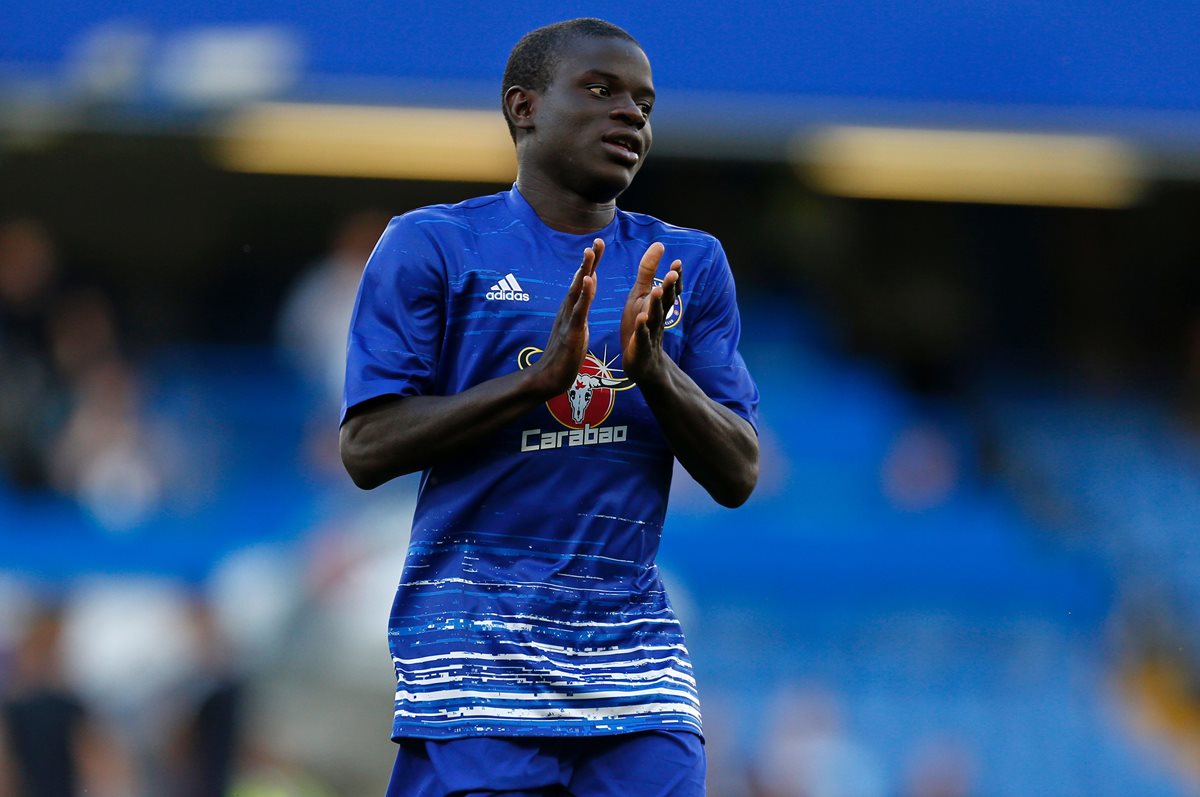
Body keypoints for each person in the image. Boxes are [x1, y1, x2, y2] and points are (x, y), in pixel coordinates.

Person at [339, 18, 759, 797]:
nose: (630, 114)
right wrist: (534, 383)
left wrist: (654, 371)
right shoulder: (434, 247)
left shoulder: (687, 264)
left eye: (643, 102)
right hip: (474, 652)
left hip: (634, 657)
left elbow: (738, 472)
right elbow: (366, 447)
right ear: (524, 107)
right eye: (601, 91)